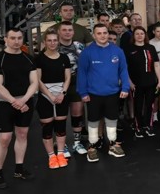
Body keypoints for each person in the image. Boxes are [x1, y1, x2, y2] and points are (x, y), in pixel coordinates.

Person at [0, 28, 39, 189]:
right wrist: (14, 101)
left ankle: (19, 169)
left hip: (25, 102)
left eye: (19, 38)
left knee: (22, 134)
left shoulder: (28, 58)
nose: (16, 41)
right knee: (5, 138)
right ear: (6, 39)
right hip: (6, 103)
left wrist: (23, 100)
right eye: (12, 38)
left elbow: (34, 83)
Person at [77, 24, 130, 162]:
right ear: (94, 35)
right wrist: (83, 92)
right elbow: (81, 73)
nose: (102, 36)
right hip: (93, 94)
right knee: (93, 120)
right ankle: (92, 147)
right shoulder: (87, 52)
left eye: (105, 33)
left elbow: (123, 70)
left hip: (112, 92)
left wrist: (125, 87)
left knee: (112, 119)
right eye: (99, 33)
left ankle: (112, 145)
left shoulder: (117, 51)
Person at [35, 29, 71, 169]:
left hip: (61, 94)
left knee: (61, 126)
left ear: (58, 42)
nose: (52, 43)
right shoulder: (39, 59)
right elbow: (38, 80)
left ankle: (60, 154)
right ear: (44, 42)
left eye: (55, 40)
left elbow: (67, 77)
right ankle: (51, 156)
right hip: (45, 96)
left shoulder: (64, 58)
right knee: (47, 127)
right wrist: (50, 95)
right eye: (49, 40)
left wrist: (62, 93)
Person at [125, 26, 160, 138]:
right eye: (137, 34)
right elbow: (124, 68)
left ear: (145, 35)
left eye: (142, 33)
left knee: (150, 105)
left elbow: (156, 65)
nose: (139, 36)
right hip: (136, 84)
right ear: (133, 36)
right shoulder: (128, 49)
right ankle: (138, 127)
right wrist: (129, 82)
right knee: (138, 106)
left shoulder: (150, 47)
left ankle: (149, 126)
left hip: (150, 82)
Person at [56, 21, 88, 155]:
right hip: (58, 85)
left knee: (77, 114)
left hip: (76, 84)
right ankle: (61, 145)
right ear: (59, 32)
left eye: (69, 30)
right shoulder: (54, 45)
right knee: (60, 116)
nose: (67, 32)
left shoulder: (79, 46)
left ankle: (77, 142)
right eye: (64, 30)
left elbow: (86, 65)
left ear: (73, 32)